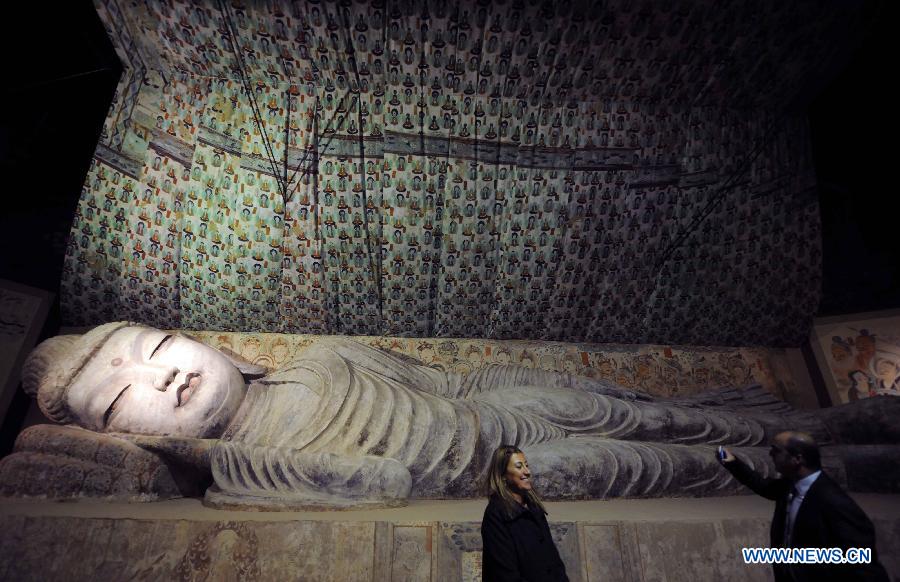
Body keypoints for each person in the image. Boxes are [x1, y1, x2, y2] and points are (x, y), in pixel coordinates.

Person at [11, 321, 900, 507]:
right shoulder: (248, 473)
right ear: (122, 431)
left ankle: (827, 430)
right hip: (500, 476)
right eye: (120, 394)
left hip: (498, 410)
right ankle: (845, 484)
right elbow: (386, 479)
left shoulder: (325, 356)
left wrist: (520, 383)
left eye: (157, 347)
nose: (160, 379)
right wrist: (197, 468)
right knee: (665, 468)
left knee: (662, 418)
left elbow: (444, 381)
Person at [718, 432, 889, 582]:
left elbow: (862, 561)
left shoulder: (833, 501)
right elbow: (764, 486)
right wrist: (733, 463)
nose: (769, 454)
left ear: (797, 459)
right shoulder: (790, 485)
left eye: (776, 451)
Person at [480, 445, 568, 582]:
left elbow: (553, 560)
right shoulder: (496, 515)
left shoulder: (534, 507)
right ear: (503, 475)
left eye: (526, 465)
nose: (527, 472)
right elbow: (505, 575)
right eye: (519, 466)